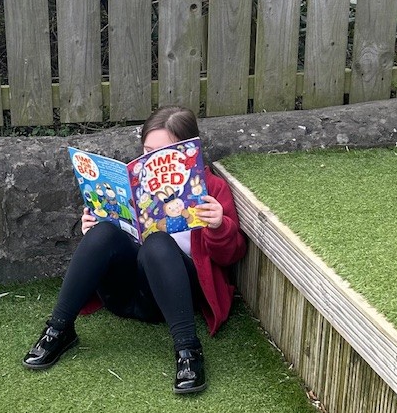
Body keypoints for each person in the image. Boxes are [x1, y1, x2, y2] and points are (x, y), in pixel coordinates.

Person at [22, 106, 246, 394]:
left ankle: (188, 351)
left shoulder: (211, 188)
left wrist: (219, 225)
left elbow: (231, 256)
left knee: (157, 243)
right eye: (147, 151)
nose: (151, 160)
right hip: (122, 294)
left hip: (171, 299)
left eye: (162, 154)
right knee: (103, 233)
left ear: (187, 151)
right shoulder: (132, 181)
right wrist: (94, 225)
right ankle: (58, 329)